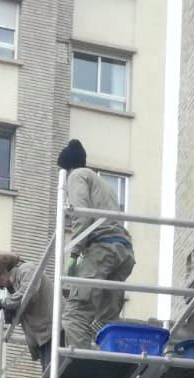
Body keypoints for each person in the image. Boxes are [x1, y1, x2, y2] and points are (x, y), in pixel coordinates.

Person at [57, 138, 135, 349]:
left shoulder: (76, 176)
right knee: (105, 320)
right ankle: (108, 364)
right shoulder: (103, 184)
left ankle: (82, 368)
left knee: (75, 315)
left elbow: (83, 216)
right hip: (123, 251)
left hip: (103, 250)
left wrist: (74, 254)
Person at [0, 253, 55, 368]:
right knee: (50, 376)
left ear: (3, 269)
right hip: (43, 336)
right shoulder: (13, 287)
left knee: (55, 374)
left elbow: (28, 293)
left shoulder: (26, 269)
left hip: (54, 330)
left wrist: (6, 303)